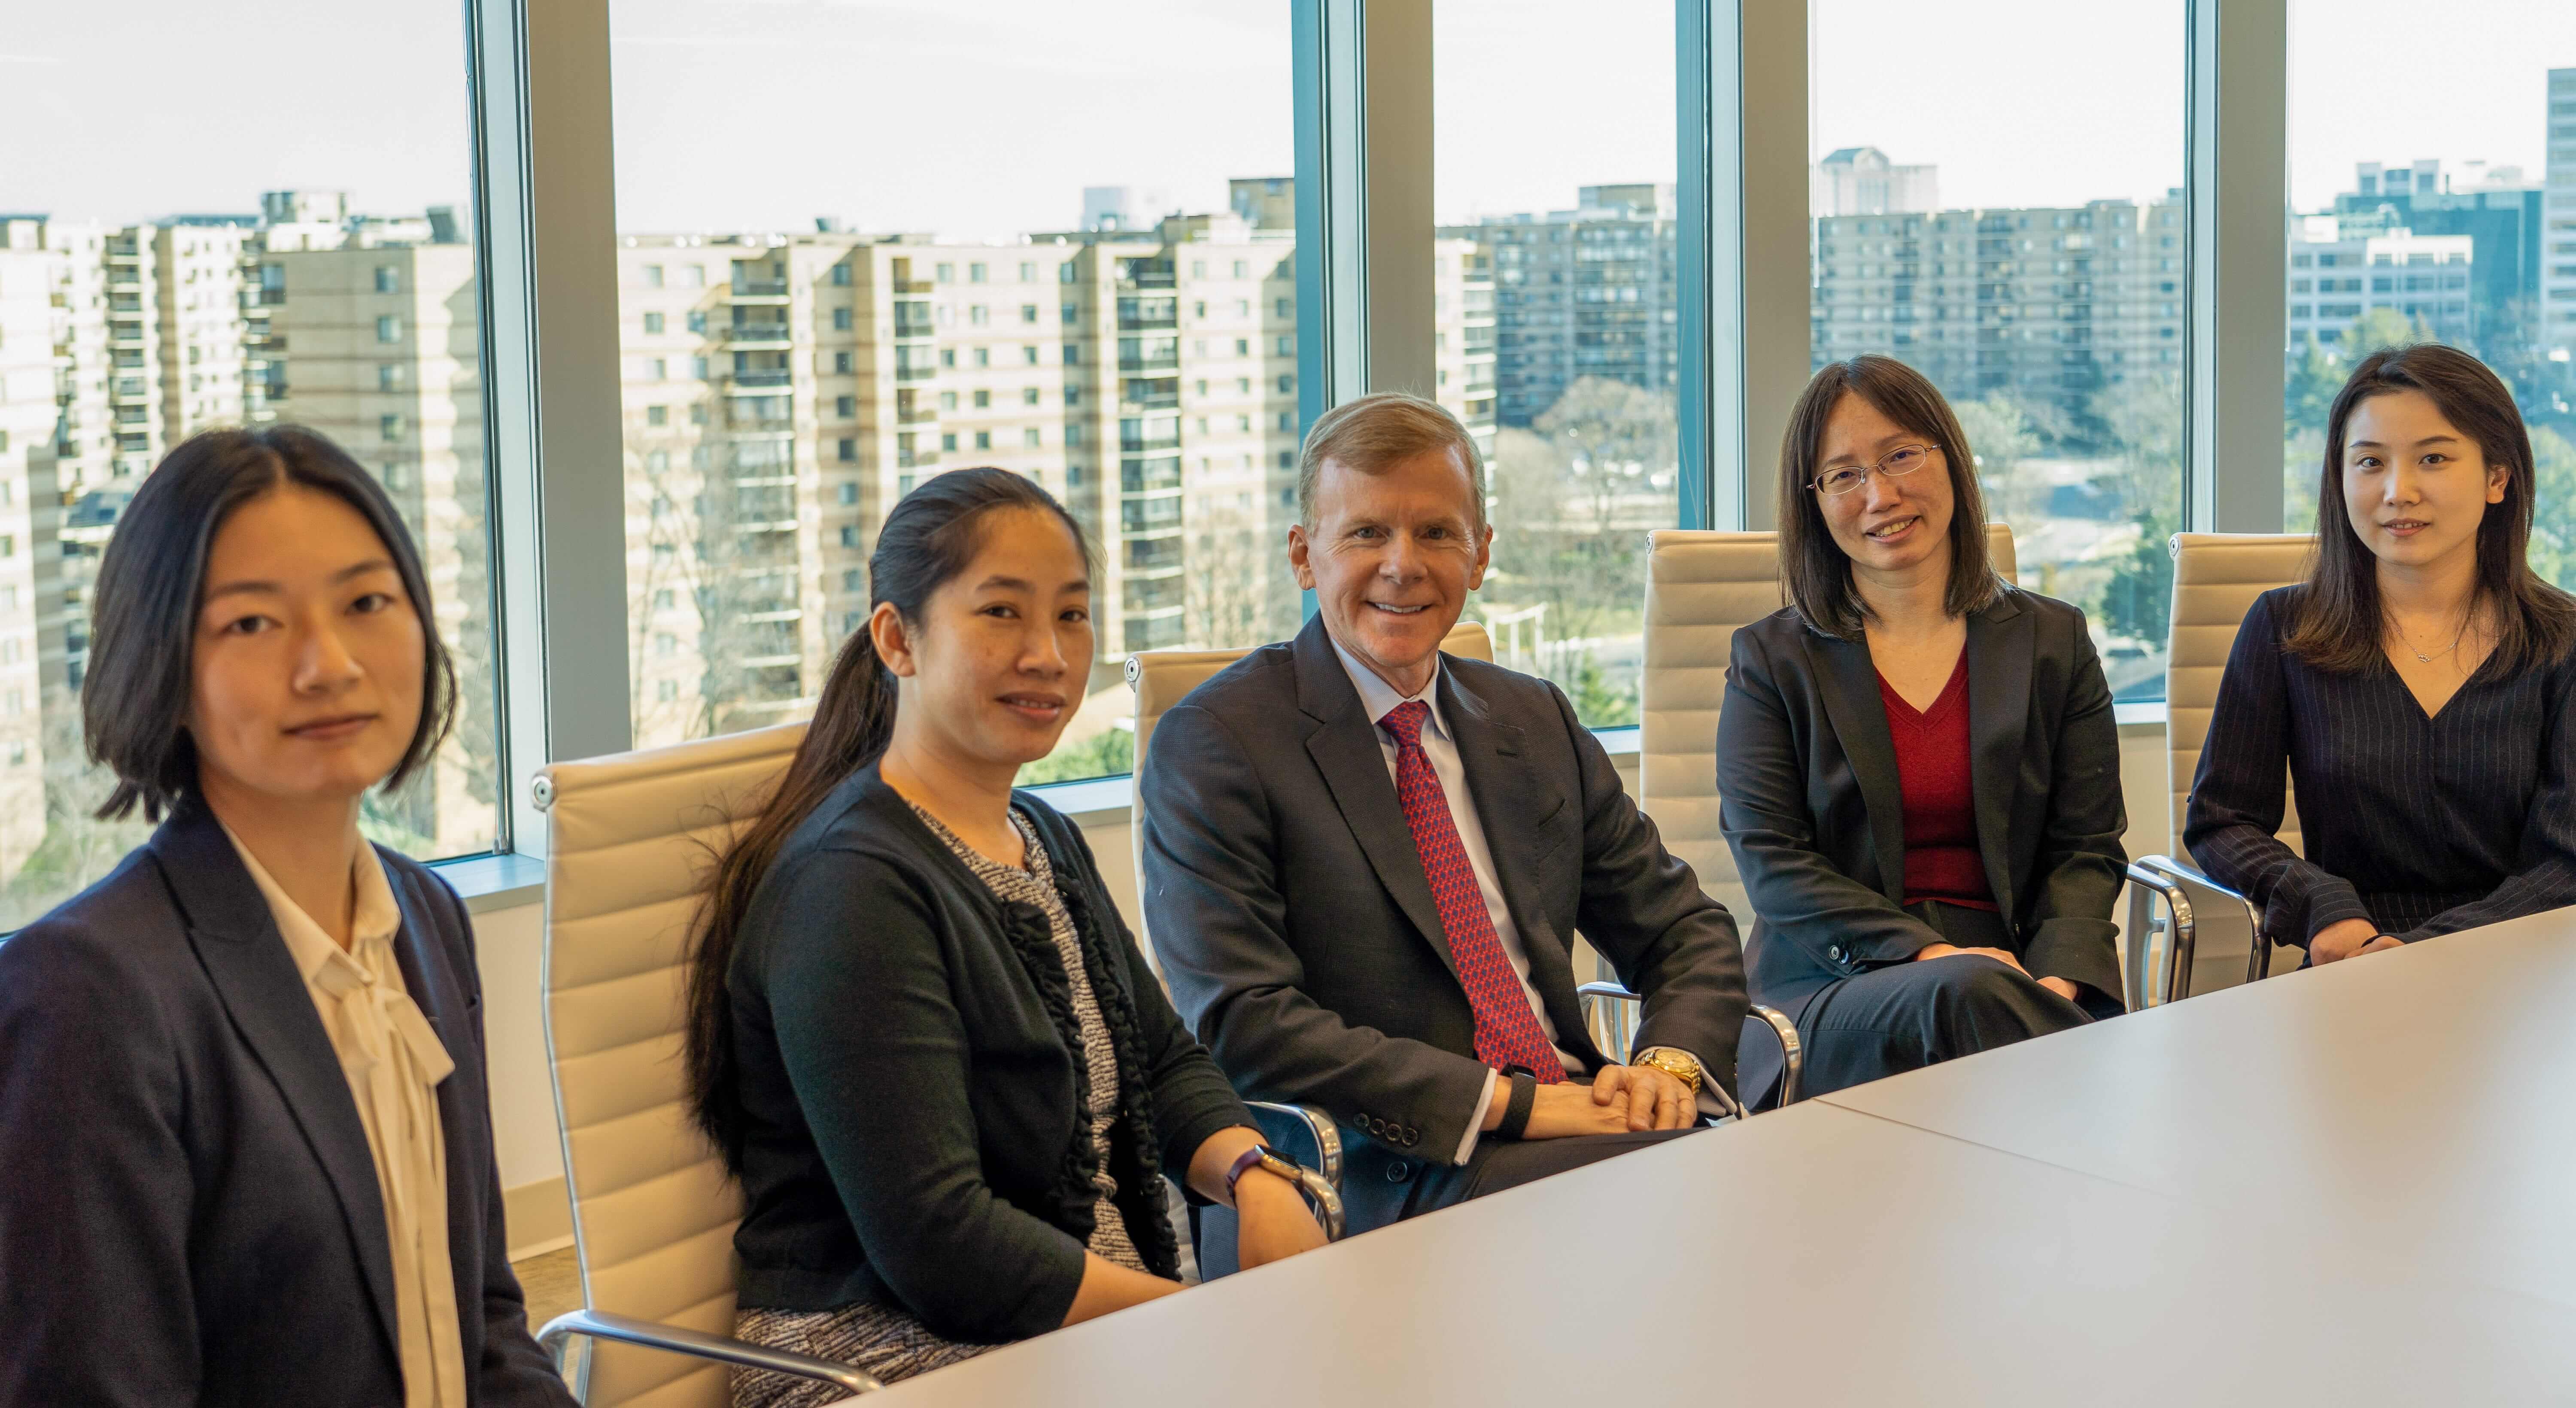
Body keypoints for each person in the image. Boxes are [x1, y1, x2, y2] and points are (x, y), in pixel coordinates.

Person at [685, 468, 1325, 1403]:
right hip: (875, 1354)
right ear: (898, 638)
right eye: (1000, 613)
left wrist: (1252, 1172)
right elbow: (941, 1241)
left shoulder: (1043, 833)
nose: (1049, 654)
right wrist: (1191, 1326)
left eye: (1072, 615)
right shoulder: (854, 884)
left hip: (1084, 1328)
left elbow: (1161, 1058)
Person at [0, 427, 573, 1408]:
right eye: (252, 625)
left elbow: (483, 1321)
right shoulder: (88, 991)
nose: (329, 663)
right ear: (164, 666)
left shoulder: (426, 920)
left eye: (365, 602)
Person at [1140, 391, 1748, 1248]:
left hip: (1587, 1122)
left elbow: (1683, 928)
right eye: (1365, 533)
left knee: (1775, 1181)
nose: (1403, 564)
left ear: (1482, 554)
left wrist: (1665, 1066)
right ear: (1303, 555)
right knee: (1718, 1205)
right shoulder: (1216, 742)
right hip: (1377, 1170)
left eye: (1436, 532)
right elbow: (1247, 1020)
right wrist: (1520, 1104)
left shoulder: (1533, 719)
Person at [1717, 355, 2128, 1104]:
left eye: (1902, 454)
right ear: (1812, 502)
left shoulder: (2053, 641)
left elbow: (2086, 847)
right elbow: (1774, 864)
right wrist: (1934, 954)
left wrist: (2056, 978)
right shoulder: (1771, 661)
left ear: (1951, 456)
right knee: (1973, 999)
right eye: (1843, 475)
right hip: (1829, 992)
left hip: (2023, 980)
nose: (1881, 494)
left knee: (1979, 1003)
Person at [2187, 344, 2576, 962]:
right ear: (2340, 479)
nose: (2399, 491)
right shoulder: (2285, 627)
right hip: (2352, 950)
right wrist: (2321, 906)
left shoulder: (2563, 639)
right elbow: (2220, 819)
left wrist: (2422, 951)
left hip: (2523, 960)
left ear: (2497, 477)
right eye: (2370, 462)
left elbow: (2568, 861)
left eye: (2434, 458)